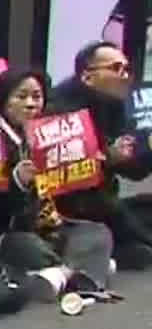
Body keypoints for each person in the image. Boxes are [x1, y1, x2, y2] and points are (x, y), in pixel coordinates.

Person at [0, 68, 115, 295]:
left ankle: (65, 274)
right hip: (2, 232)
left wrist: (88, 165)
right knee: (31, 248)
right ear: (3, 101)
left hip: (46, 224)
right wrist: (16, 181)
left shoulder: (44, 135)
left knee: (96, 231)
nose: (30, 104)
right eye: (21, 96)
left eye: (36, 97)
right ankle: (82, 271)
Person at [46, 41, 152, 268]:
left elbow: (134, 172)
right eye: (116, 68)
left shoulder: (115, 105)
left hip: (105, 198)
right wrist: (105, 160)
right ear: (87, 77)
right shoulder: (58, 109)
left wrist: (148, 148)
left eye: (127, 69)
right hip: (66, 208)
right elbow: (62, 180)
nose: (125, 76)